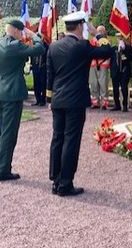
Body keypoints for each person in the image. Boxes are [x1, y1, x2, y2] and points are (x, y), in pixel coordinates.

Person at [46, 11, 112, 196]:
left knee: (57, 139)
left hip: (58, 99)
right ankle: (66, 183)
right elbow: (107, 51)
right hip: (75, 101)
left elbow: (50, 76)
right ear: (81, 26)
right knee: (71, 141)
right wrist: (97, 34)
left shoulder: (53, 46)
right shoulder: (82, 46)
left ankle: (56, 179)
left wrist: (50, 99)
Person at [0, 19, 45, 182]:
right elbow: (39, 49)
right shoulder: (14, 45)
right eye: (21, 32)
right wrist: (34, 35)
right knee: (9, 133)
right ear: (17, 31)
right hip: (12, 93)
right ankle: (3, 170)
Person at [110, 32, 132, 112]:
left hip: (124, 70)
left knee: (124, 88)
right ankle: (117, 105)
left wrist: (123, 50)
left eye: (121, 37)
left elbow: (130, 58)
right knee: (115, 89)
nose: (120, 38)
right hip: (115, 71)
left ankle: (125, 105)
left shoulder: (128, 47)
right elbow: (111, 60)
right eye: (118, 37)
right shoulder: (114, 48)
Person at [89, 25, 111, 109]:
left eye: (102, 31)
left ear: (104, 32)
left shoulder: (106, 41)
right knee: (93, 84)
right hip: (93, 65)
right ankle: (95, 102)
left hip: (103, 64)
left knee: (103, 84)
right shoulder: (92, 41)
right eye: (99, 31)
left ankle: (104, 102)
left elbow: (108, 52)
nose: (100, 32)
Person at [30, 37, 48, 106]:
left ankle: (43, 100)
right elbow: (32, 55)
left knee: (43, 84)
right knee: (36, 84)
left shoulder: (45, 45)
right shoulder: (34, 46)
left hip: (43, 66)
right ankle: (37, 100)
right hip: (35, 66)